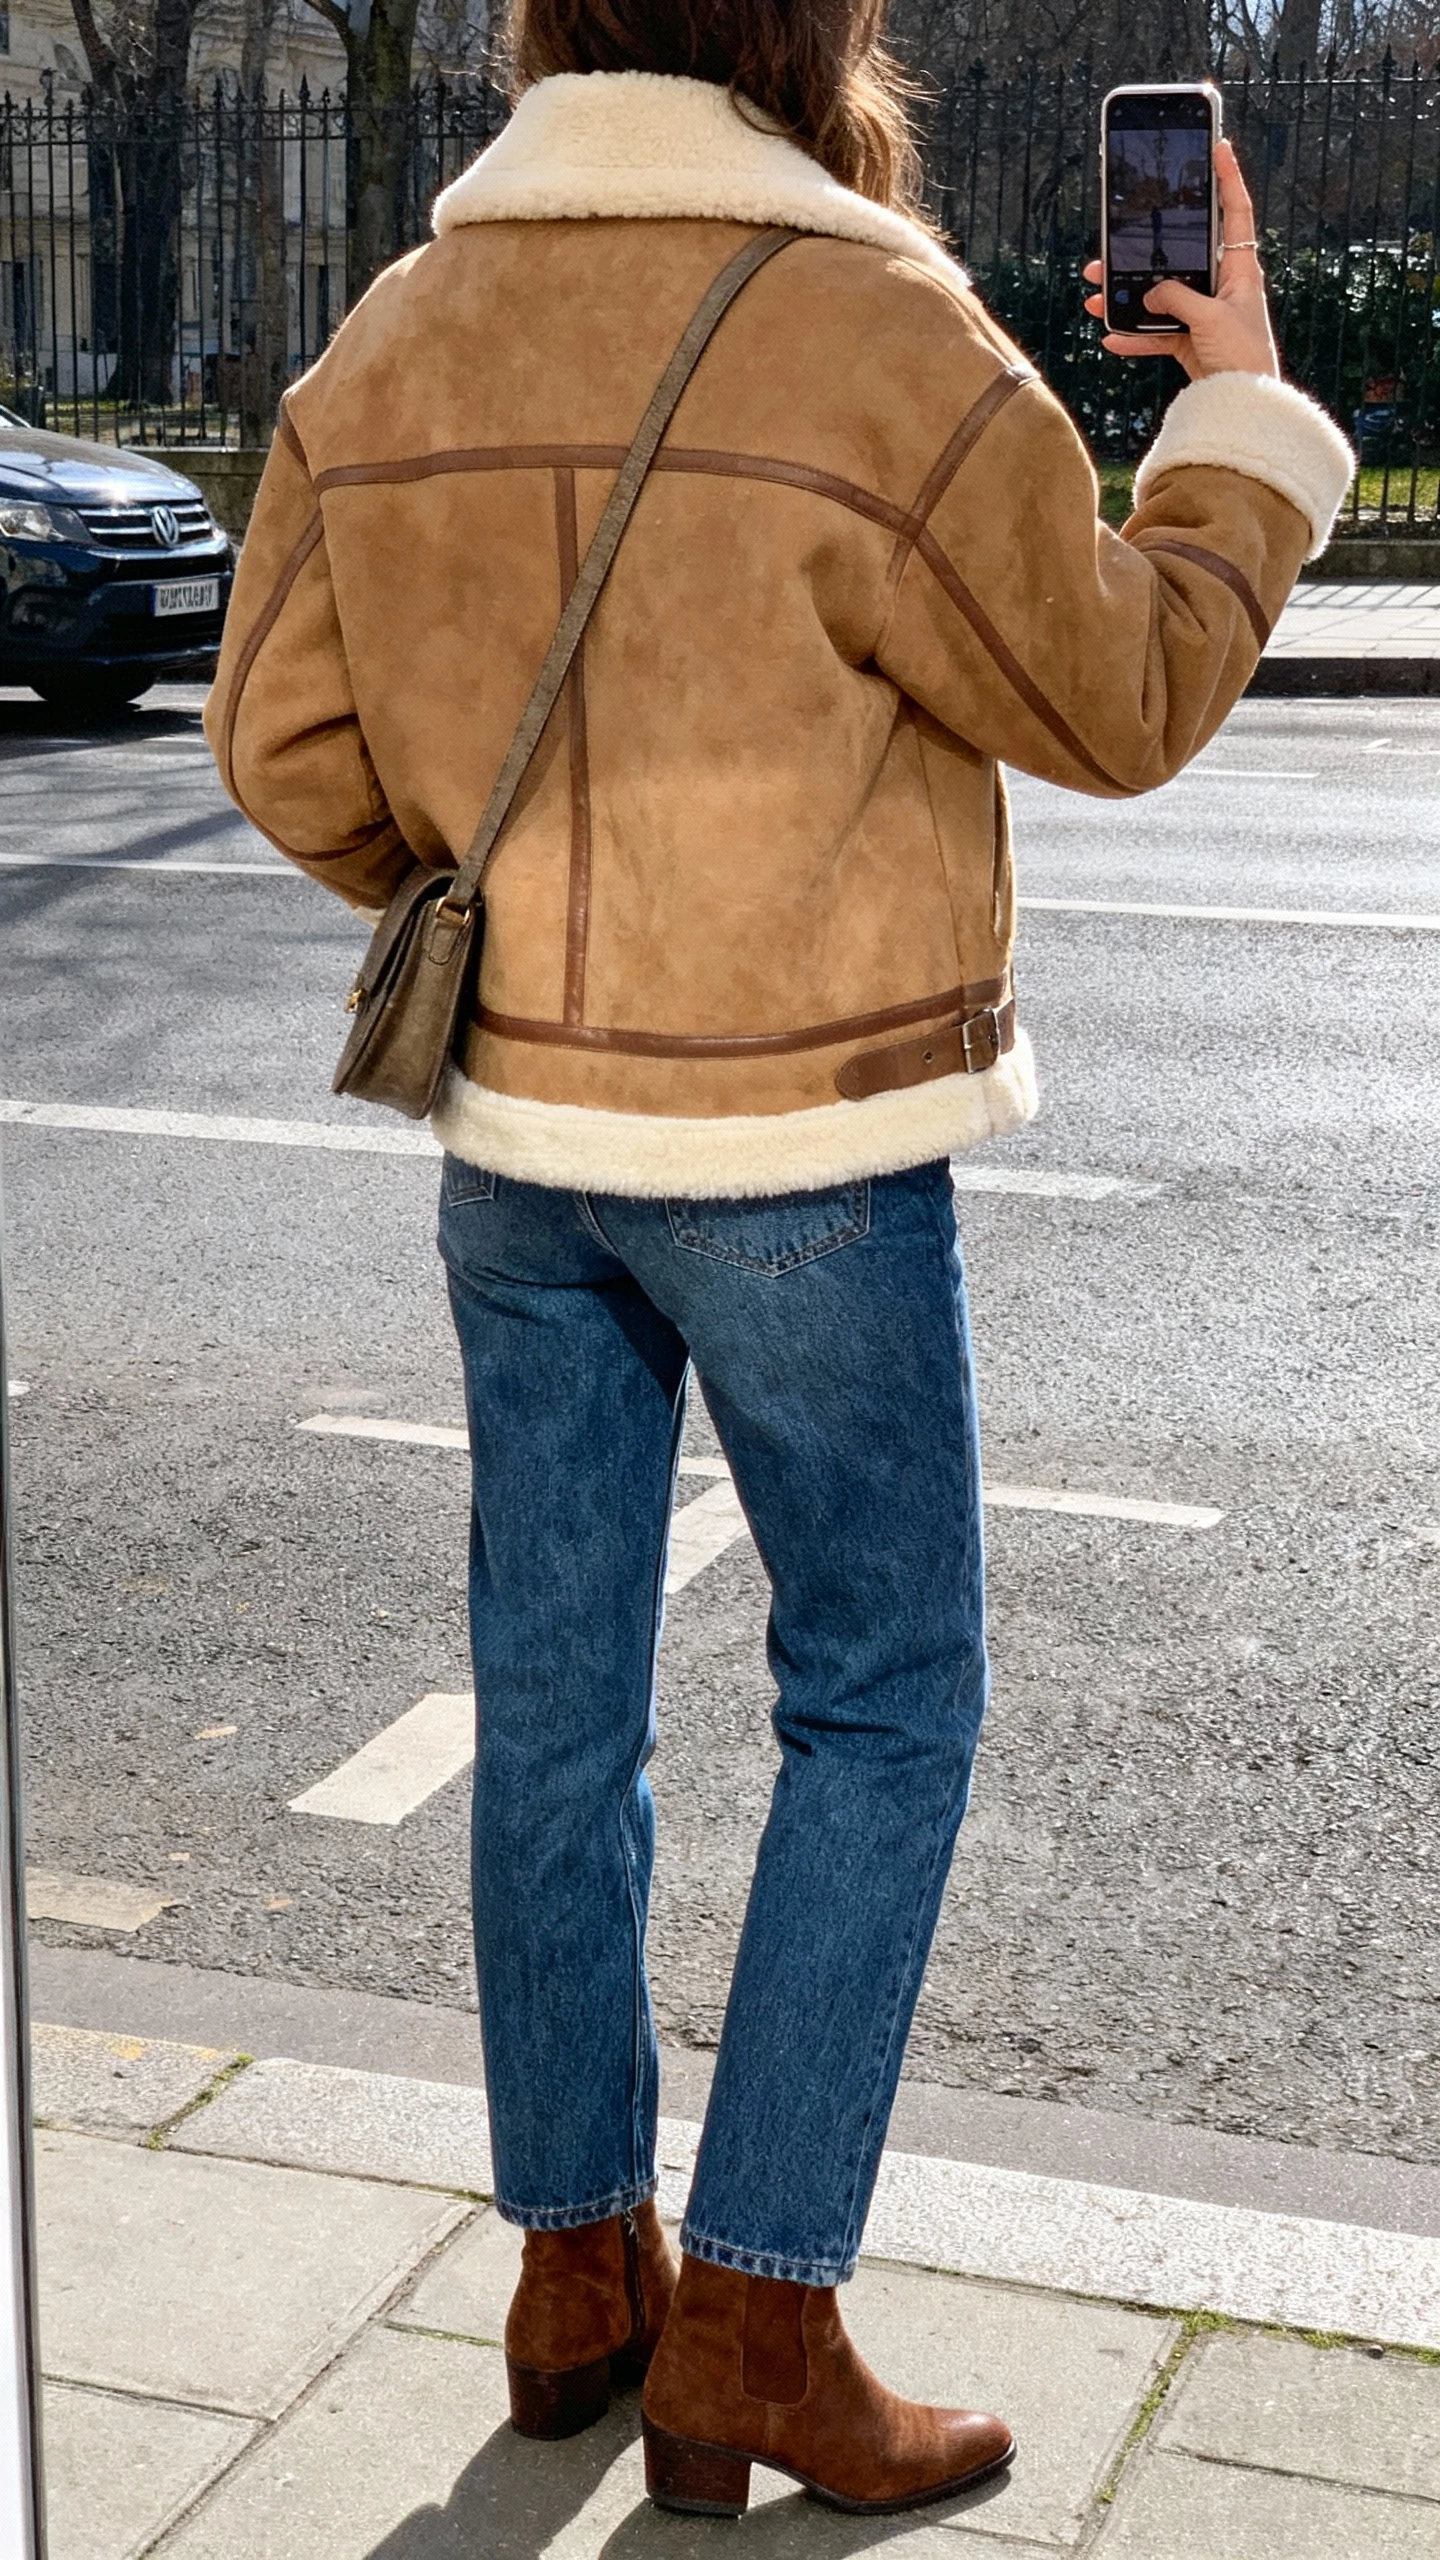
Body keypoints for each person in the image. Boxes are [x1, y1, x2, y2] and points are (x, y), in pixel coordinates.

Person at [205, 0, 1352, 2519]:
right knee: (884, 1700)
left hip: (517, 1135)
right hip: (807, 1140)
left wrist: (476, 906)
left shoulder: (397, 332)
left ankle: (573, 2270)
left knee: (554, 1698)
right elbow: (1129, 683)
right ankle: (762, 2312)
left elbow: (275, 737)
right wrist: (1240, 410)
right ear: (810, 37)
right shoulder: (874, 334)